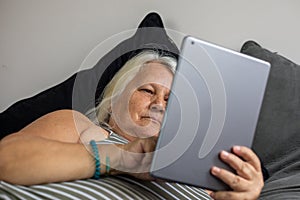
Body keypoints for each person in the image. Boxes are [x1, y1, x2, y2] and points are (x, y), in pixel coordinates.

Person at [0, 51, 264, 200]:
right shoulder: (81, 127)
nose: (159, 104)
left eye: (171, 100)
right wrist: (124, 158)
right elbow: (5, 161)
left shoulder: (205, 182)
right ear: (114, 102)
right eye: (148, 91)